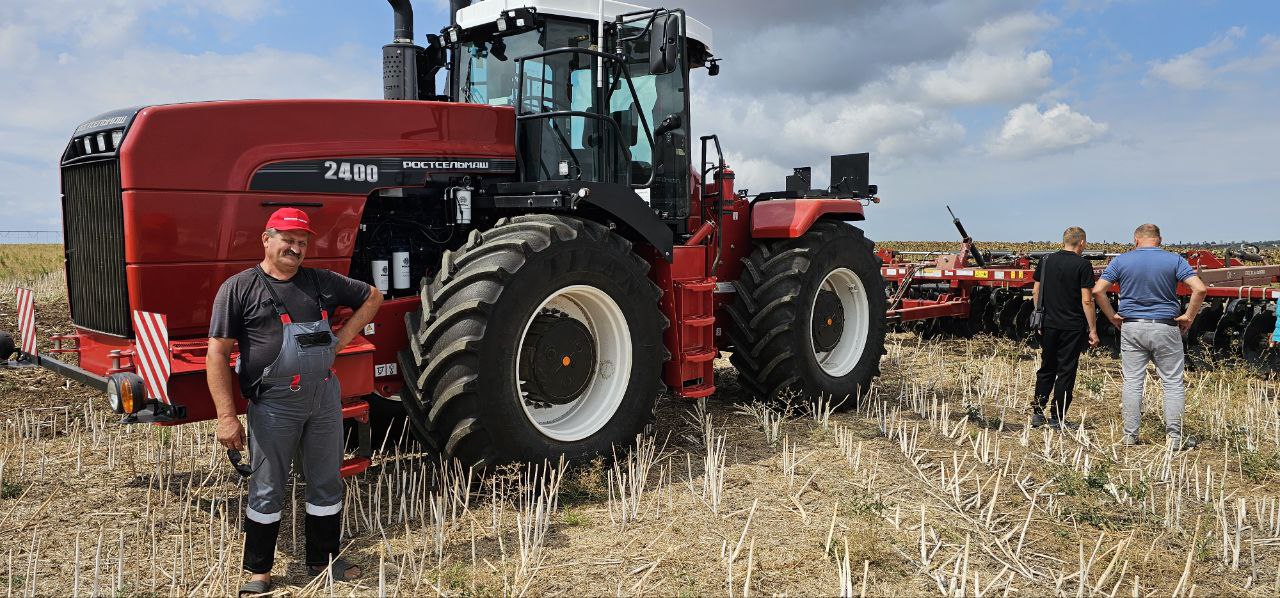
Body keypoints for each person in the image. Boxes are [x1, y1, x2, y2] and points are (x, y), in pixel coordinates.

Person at [206, 208, 382, 596]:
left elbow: (372, 296)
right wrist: (225, 417)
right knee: (267, 488)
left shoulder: (319, 281)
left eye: (302, 242)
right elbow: (217, 354)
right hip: (274, 405)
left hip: (322, 398)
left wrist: (342, 341)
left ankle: (324, 561)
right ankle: (259, 573)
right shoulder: (239, 289)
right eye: (287, 239)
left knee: (326, 481)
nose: (296, 247)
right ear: (266, 240)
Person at [1092, 223, 1207, 450]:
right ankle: (1175, 438)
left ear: (1136, 239)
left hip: (1132, 327)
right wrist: (1189, 316)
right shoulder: (1174, 260)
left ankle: (1130, 436)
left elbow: (1098, 290)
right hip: (1165, 326)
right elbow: (1200, 289)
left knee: (1133, 381)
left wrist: (1113, 316)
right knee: (1172, 383)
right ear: (1160, 239)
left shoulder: (1121, 261)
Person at [1031, 226, 1098, 429]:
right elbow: (1087, 300)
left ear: (1064, 241)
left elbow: (1036, 290)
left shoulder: (1046, 260)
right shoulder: (1082, 265)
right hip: (1071, 326)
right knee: (1066, 371)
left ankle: (1037, 412)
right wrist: (1093, 329)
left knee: (1046, 368)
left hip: (1048, 324)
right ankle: (1056, 417)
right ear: (1082, 243)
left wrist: (1039, 316)